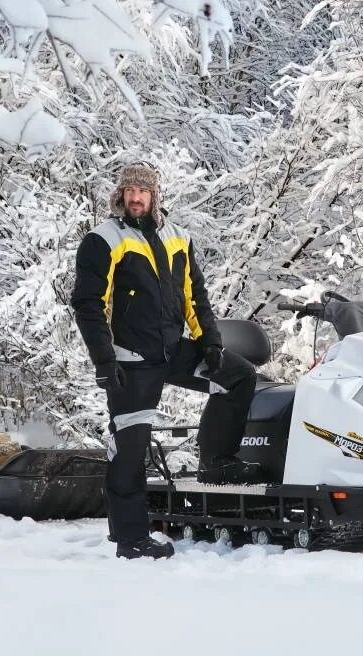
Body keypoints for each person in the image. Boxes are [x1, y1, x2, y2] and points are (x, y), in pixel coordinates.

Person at [71, 163, 261, 560]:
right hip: (132, 360)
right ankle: (131, 538)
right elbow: (89, 305)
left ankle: (217, 463)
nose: (136, 197)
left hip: (173, 351)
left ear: (155, 195)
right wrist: (105, 360)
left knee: (238, 377)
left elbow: (196, 297)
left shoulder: (178, 238)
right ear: (120, 195)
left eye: (143, 190)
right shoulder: (104, 239)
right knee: (130, 446)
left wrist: (210, 343)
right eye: (130, 191)